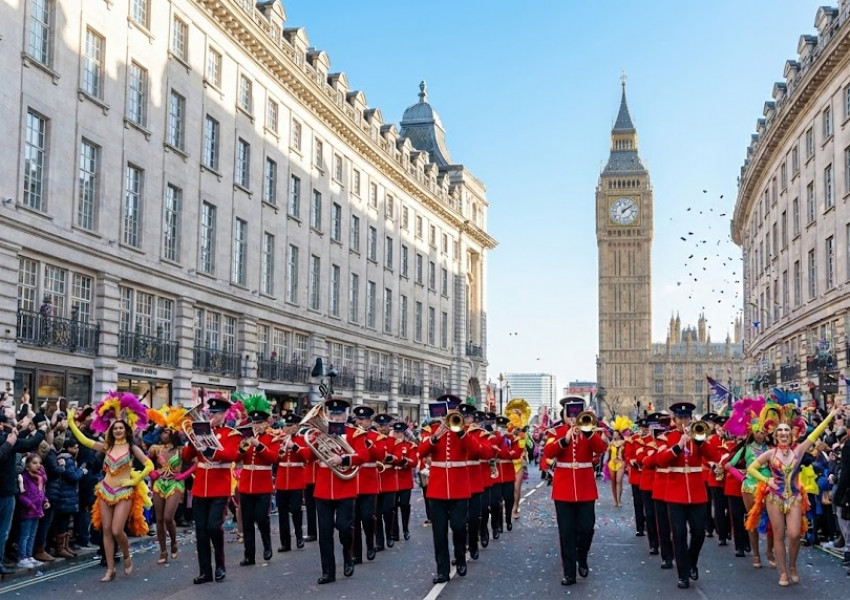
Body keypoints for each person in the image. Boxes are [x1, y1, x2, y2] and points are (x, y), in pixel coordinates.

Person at [747, 403, 842, 586]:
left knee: (793, 534)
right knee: (778, 535)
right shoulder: (769, 453)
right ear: (776, 436)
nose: (783, 433)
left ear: (790, 435)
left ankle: (792, 566)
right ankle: (783, 572)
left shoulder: (798, 451)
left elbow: (815, 434)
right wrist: (767, 481)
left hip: (795, 497)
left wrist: (830, 416)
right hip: (774, 498)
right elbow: (751, 468)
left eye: (786, 431)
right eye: (780, 430)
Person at [67, 391, 153, 582]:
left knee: (116, 530)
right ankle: (110, 570)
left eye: (121, 428)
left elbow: (149, 466)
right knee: (105, 530)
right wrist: (71, 421)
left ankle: (126, 553)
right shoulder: (106, 446)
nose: (118, 431)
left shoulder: (132, 448)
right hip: (105, 491)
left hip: (124, 492)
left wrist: (134, 481)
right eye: (115, 429)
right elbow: (85, 441)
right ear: (111, 431)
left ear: (126, 429)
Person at [655, 402, 719, 589]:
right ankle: (683, 574)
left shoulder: (698, 436)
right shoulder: (667, 437)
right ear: (674, 420)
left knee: (699, 533)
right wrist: (678, 446)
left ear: (691, 419)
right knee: (680, 534)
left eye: (686, 418)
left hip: (697, 493)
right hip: (675, 493)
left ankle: (691, 562)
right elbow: (660, 460)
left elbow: (713, 455)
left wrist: (701, 441)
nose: (684, 421)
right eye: (680, 418)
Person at [543, 402, 608, 586]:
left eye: (577, 414)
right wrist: (564, 439)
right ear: (564, 416)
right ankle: (569, 572)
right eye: (570, 414)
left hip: (585, 488)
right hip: (563, 490)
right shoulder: (555, 433)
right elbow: (548, 452)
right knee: (566, 532)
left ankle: (582, 556)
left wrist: (588, 433)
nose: (573, 418)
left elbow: (601, 449)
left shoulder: (590, 432)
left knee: (587, 528)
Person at [182, 395, 242, 584]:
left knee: (214, 527)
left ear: (224, 414)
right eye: (211, 412)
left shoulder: (232, 434)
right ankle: (205, 572)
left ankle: (220, 565)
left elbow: (231, 455)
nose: (212, 415)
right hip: (201, 486)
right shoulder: (200, 431)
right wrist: (193, 440)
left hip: (219, 487)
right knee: (201, 531)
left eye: (216, 413)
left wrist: (210, 449)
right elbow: (186, 456)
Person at [309, 399, 370, 584]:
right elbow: (307, 455)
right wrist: (304, 442)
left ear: (345, 415)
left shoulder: (355, 433)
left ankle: (348, 553)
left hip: (345, 488)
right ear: (327, 415)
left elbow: (363, 456)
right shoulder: (319, 433)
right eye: (332, 414)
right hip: (323, 489)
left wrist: (343, 459)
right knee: (325, 533)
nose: (335, 417)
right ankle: (328, 572)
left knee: (344, 527)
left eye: (339, 414)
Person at [419, 394, 477, 584]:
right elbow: (420, 452)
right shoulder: (432, 430)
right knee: (439, 532)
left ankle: (460, 557)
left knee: (459, 527)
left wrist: (460, 432)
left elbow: (477, 451)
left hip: (459, 487)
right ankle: (442, 570)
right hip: (437, 488)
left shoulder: (465, 430)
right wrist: (435, 437)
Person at [0, 402, 46, 575]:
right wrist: (41, 429)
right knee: (3, 532)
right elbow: (27, 444)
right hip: (5, 493)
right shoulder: (6, 439)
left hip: (7, 492)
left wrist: (24, 428)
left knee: (4, 532)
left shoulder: (7, 437)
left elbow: (18, 440)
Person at [146, 404, 192, 565]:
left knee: (167, 517)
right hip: (159, 484)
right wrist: (153, 473)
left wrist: (183, 475)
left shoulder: (181, 450)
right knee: (159, 519)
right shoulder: (155, 449)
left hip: (175, 484)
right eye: (163, 431)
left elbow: (196, 463)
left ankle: (173, 542)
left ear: (173, 434)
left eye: (166, 431)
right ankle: (163, 551)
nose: (163, 433)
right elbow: (146, 462)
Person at [273, 412, 311, 552]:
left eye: (290, 425)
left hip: (296, 479)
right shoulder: (279, 439)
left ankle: (299, 536)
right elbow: (273, 458)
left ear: (296, 427)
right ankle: (285, 543)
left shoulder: (302, 439)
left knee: (296, 510)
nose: (287, 428)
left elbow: (307, 456)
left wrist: (294, 446)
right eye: (286, 426)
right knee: (282, 513)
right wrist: (279, 451)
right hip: (282, 480)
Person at [350, 405, 382, 563]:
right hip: (352, 481)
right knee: (354, 520)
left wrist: (369, 444)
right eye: (358, 419)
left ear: (370, 421)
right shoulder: (350, 435)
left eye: (364, 420)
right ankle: (356, 553)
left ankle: (370, 543)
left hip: (368, 482)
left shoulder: (377, 436)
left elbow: (381, 455)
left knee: (367, 517)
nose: (360, 422)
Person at [17, 453, 48, 569]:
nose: (38, 465)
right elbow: (22, 495)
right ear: (27, 465)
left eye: (39, 463)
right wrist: (30, 504)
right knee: (25, 534)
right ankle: (22, 557)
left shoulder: (40, 477)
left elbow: (42, 492)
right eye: (34, 463)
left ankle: (29, 555)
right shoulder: (24, 477)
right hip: (28, 510)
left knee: (32, 534)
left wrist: (45, 500)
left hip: (38, 509)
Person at [389, 421, 418, 541]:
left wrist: (405, 461)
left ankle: (406, 529)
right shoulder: (389, 444)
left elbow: (414, 462)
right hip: (392, 480)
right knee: (393, 507)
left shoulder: (410, 446)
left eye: (400, 432)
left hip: (405, 480)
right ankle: (394, 532)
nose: (398, 435)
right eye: (396, 432)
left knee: (405, 506)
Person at [624, 418, 648, 536]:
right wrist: (633, 462)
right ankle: (640, 526)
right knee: (638, 503)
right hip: (637, 475)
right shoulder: (632, 440)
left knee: (648, 504)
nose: (643, 430)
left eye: (645, 427)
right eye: (641, 427)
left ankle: (649, 524)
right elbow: (628, 455)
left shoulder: (651, 440)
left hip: (648, 476)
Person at [607, 429, 626, 507]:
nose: (614, 435)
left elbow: (626, 452)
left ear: (619, 435)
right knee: (613, 482)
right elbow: (607, 450)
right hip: (612, 463)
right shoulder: (612, 443)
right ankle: (615, 500)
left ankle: (619, 500)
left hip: (620, 463)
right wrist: (610, 444)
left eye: (616, 434)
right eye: (613, 434)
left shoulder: (623, 442)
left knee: (619, 481)